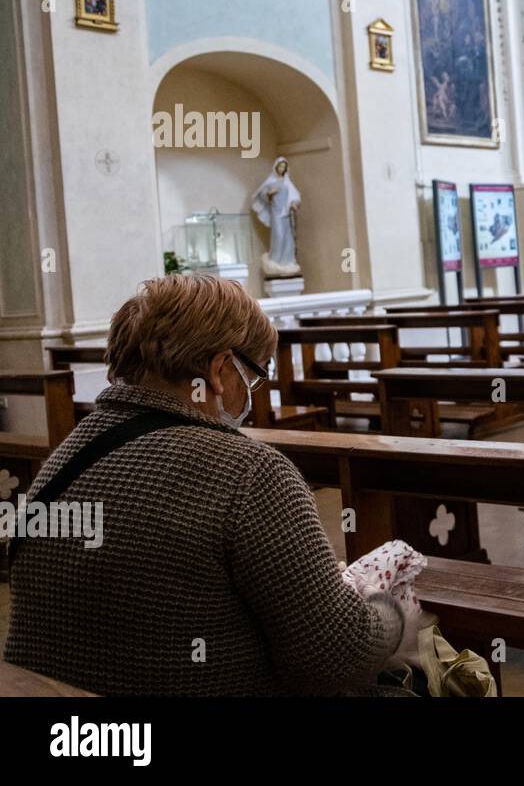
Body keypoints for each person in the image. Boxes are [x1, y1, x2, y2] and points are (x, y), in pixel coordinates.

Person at [3, 275, 410, 695]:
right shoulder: (252, 474)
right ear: (219, 370)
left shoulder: (62, 460)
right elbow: (336, 659)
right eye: (251, 378)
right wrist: (394, 613)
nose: (251, 396)